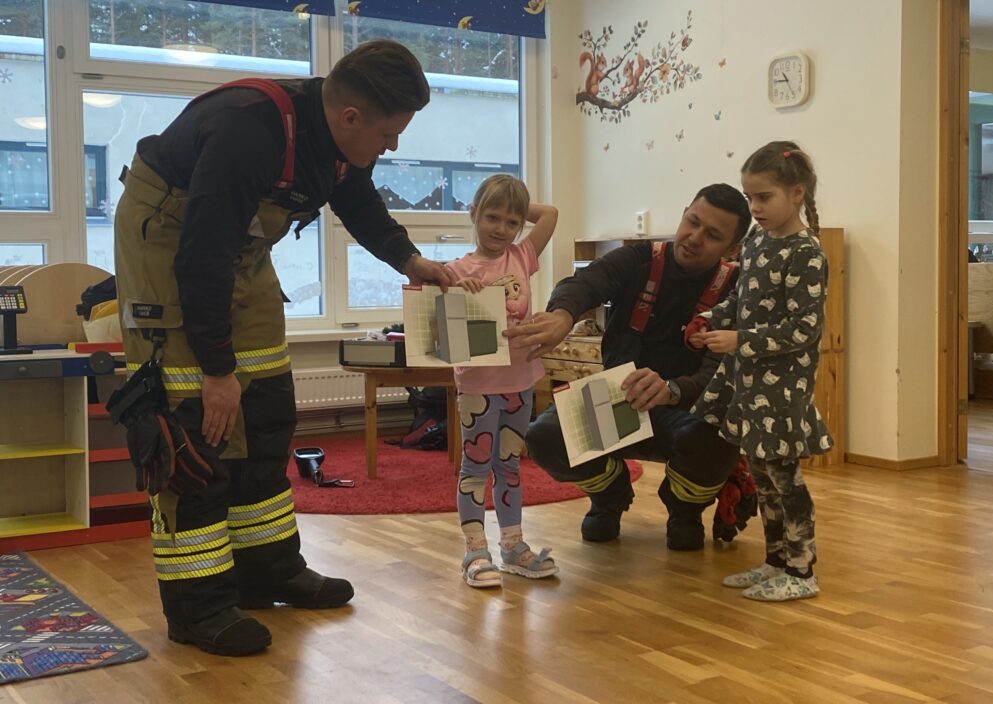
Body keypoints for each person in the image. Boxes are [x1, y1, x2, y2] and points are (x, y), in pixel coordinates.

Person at [113, 40, 454, 656]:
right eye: (389, 135)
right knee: (194, 425)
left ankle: (267, 571)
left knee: (266, 405)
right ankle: (198, 608)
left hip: (235, 248)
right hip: (172, 244)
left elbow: (356, 199)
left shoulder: (334, 138)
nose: (391, 146)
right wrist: (217, 369)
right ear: (351, 116)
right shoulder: (247, 133)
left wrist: (410, 260)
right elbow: (201, 257)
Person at [508, 184, 752, 550]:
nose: (694, 237)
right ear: (684, 213)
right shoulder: (639, 259)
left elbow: (722, 374)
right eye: (692, 221)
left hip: (687, 414)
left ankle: (684, 509)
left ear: (733, 249)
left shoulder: (737, 289)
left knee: (725, 434)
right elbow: (585, 282)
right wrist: (563, 315)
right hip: (617, 404)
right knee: (544, 437)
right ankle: (610, 495)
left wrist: (672, 389)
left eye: (713, 235)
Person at [687, 140, 833, 601]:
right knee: (763, 477)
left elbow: (804, 328)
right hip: (747, 381)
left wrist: (740, 340)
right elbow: (741, 299)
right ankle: (776, 561)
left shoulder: (806, 253)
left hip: (782, 388)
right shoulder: (755, 241)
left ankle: (802, 571)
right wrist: (711, 318)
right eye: (750, 197)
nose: (755, 207)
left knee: (785, 479)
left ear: (797, 192)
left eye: (764, 197)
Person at [445, 175, 560, 587]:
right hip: (478, 387)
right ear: (473, 213)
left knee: (509, 466)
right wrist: (456, 289)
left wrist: (514, 199)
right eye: (492, 217)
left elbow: (550, 214)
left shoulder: (522, 255)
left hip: (520, 381)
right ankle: (475, 551)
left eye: (512, 222)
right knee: (475, 467)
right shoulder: (455, 270)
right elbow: (432, 315)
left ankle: (512, 546)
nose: (501, 229)